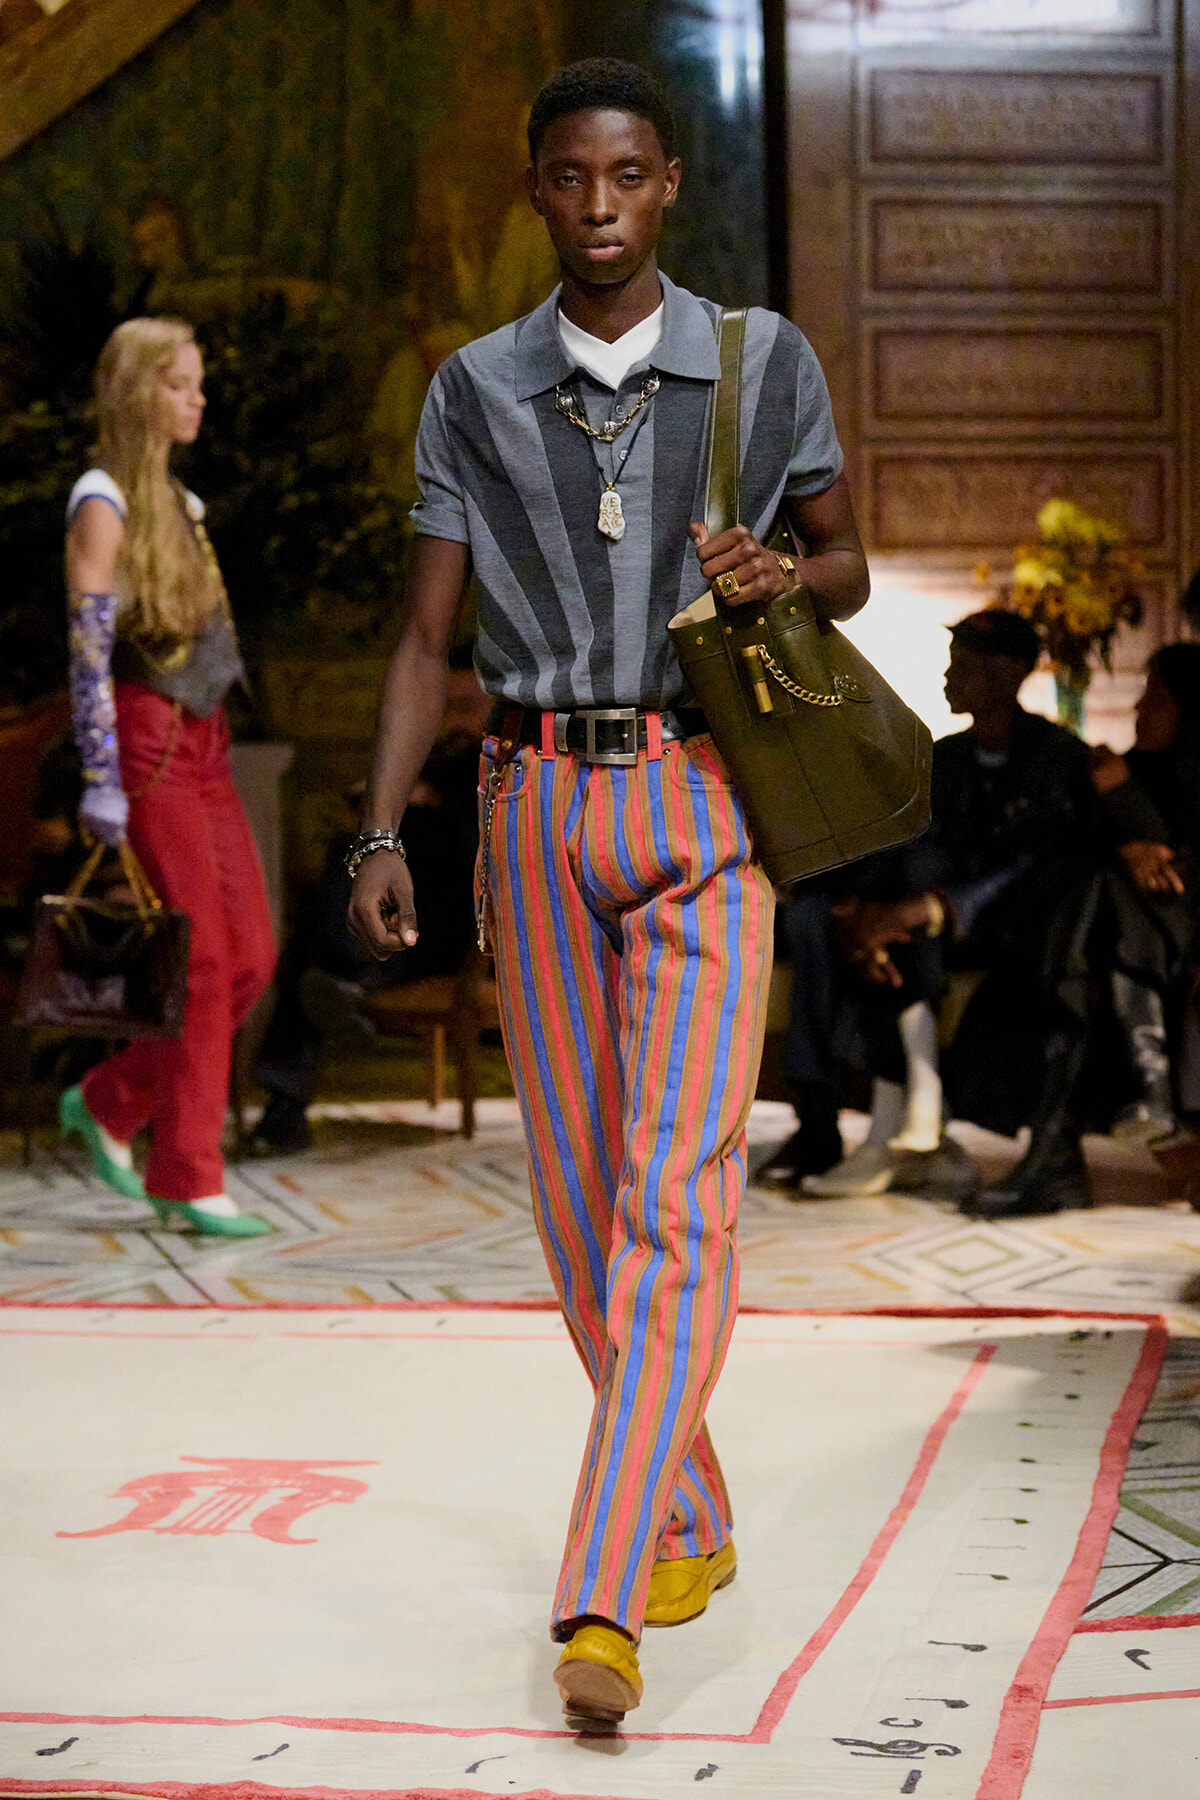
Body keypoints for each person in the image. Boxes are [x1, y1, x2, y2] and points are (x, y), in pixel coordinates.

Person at [348, 59, 869, 1723]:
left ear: (666, 190)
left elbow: (850, 555)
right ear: (534, 193)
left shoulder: (759, 358)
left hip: (706, 799)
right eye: (570, 178)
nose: (597, 205)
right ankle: (691, 1510)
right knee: (582, 1217)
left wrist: (788, 568)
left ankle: (604, 1595)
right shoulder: (472, 389)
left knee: (678, 1194)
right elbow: (428, 639)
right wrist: (375, 835)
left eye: (629, 176)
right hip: (529, 811)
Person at [58, 316, 274, 1237]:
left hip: (209, 738)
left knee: (253, 955)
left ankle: (110, 1099)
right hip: (149, 739)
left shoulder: (179, 504)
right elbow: (88, 649)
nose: (200, 398)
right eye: (182, 383)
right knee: (202, 956)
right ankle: (187, 1172)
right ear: (142, 391)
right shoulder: (101, 499)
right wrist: (101, 775)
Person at [823, 610, 1095, 1214]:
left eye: (964, 665)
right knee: (880, 908)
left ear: (1010, 674)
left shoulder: (1057, 755)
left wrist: (931, 908)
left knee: (913, 904)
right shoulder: (942, 758)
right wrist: (863, 911)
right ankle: (914, 1107)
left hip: (1017, 933)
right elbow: (903, 844)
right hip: (932, 936)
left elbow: (1037, 866)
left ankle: (906, 1114)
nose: (948, 676)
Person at [1090, 644, 1200, 1142]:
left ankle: (1151, 1080)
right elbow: (1083, 843)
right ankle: (1150, 1079)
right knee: (1117, 884)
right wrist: (1131, 848)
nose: (1137, 709)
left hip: (1191, 923)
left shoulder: (1131, 779)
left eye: (1154, 698)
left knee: (1138, 887)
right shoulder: (1122, 767)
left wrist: (1124, 802)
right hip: (1143, 927)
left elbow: (1173, 860)